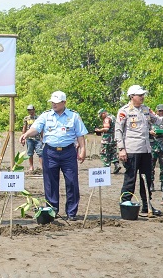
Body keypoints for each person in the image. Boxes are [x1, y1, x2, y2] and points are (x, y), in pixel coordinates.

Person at [20, 91, 88, 221]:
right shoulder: (45, 116)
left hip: (68, 152)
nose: (54, 105)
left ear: (64, 103)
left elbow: (80, 134)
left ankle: (71, 212)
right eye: (52, 102)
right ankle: (52, 210)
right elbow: (36, 128)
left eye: (56, 102)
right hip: (50, 152)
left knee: (72, 181)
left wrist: (83, 149)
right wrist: (26, 134)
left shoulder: (74, 116)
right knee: (50, 182)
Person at [115, 85, 163, 217]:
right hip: (131, 149)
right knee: (130, 178)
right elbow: (118, 130)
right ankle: (125, 203)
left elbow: (158, 120)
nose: (142, 97)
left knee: (146, 179)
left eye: (143, 95)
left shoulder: (146, 109)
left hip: (146, 149)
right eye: (139, 95)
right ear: (132, 96)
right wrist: (121, 149)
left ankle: (147, 205)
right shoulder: (124, 111)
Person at [149, 104, 163, 191]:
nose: (161, 112)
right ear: (156, 111)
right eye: (159, 111)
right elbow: (145, 129)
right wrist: (150, 132)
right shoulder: (152, 119)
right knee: (150, 165)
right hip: (153, 144)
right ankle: (151, 183)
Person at [94, 109, 120, 173]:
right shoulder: (113, 117)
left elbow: (106, 128)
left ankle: (106, 168)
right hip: (114, 138)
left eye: (101, 115)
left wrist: (99, 130)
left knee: (104, 153)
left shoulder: (107, 119)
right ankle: (117, 165)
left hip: (107, 139)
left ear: (103, 113)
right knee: (113, 152)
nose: (101, 117)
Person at [20, 104, 43, 173]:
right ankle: (31, 166)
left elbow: (41, 128)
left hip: (37, 138)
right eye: (28, 110)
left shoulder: (38, 118)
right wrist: (23, 137)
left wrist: (43, 137)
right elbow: (24, 128)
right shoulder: (26, 118)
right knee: (30, 153)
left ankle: (42, 167)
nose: (30, 111)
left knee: (40, 153)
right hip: (29, 138)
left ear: (34, 110)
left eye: (31, 110)